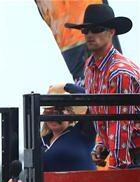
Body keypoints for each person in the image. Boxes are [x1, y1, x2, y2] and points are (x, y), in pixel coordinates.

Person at [65, 4, 139, 169]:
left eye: (96, 29)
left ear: (111, 32)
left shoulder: (119, 72)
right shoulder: (90, 67)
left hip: (133, 155)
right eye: (86, 30)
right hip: (127, 152)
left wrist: (118, 168)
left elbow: (121, 124)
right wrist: (102, 145)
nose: (90, 35)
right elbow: (101, 113)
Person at [40, 84, 97, 172]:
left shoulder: (82, 132)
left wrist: (65, 86)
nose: (53, 116)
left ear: (70, 112)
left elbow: (92, 98)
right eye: (49, 111)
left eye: (59, 111)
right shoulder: (41, 141)